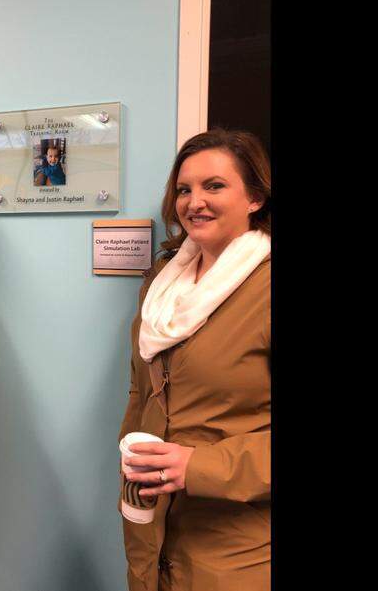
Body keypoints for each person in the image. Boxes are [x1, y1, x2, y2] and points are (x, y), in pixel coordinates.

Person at [119, 128, 271, 590]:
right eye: (184, 189)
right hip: (153, 531)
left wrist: (198, 468)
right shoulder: (163, 284)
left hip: (237, 545)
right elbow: (140, 391)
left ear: (255, 198)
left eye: (215, 186)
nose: (194, 201)